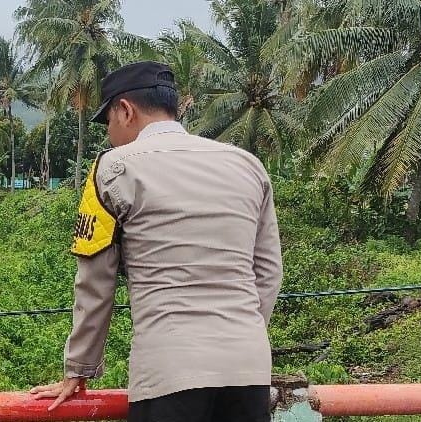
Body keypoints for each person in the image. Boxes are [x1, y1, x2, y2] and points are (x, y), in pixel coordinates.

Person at [30, 61, 283, 422]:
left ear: (125, 110)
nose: (109, 134)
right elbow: (269, 271)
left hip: (168, 371)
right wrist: (243, 334)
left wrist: (78, 368)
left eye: (108, 122)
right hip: (249, 369)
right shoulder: (247, 165)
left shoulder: (113, 168)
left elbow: (95, 283)